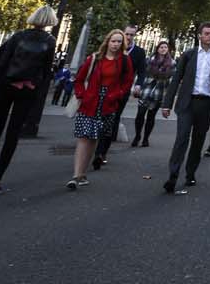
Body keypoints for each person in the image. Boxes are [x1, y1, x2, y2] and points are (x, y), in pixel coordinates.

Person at [0, 6, 58, 196]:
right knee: (13, 134)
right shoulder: (50, 41)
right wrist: (37, 91)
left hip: (6, 85)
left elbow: (1, 64)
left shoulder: (18, 37)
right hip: (28, 90)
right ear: (51, 21)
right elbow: (46, 71)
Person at [161, 22, 210, 194]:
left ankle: (190, 174)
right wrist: (167, 104)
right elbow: (176, 80)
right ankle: (173, 176)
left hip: (206, 104)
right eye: (207, 33)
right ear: (200, 36)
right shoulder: (189, 54)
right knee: (181, 139)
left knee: (198, 141)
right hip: (187, 103)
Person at [67, 29, 134, 190]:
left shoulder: (124, 60)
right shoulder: (95, 58)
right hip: (90, 102)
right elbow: (79, 79)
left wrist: (117, 94)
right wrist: (81, 94)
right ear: (107, 41)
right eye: (113, 41)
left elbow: (128, 81)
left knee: (93, 139)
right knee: (84, 138)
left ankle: (82, 173)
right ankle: (76, 175)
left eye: (119, 41)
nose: (116, 44)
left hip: (108, 104)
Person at [93, 24, 146, 168]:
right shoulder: (111, 49)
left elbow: (141, 71)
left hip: (121, 92)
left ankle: (101, 152)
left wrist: (138, 85)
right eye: (127, 34)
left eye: (132, 35)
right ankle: (94, 147)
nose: (129, 37)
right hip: (102, 90)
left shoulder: (139, 52)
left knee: (113, 120)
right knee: (98, 118)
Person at [132, 40, 174, 147]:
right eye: (161, 47)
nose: (163, 49)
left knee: (151, 117)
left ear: (167, 49)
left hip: (159, 92)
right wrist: (138, 86)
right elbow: (142, 74)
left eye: (165, 47)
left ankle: (146, 138)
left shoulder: (172, 63)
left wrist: (167, 97)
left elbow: (171, 80)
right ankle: (137, 136)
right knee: (140, 115)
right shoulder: (150, 60)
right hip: (146, 90)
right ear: (157, 49)